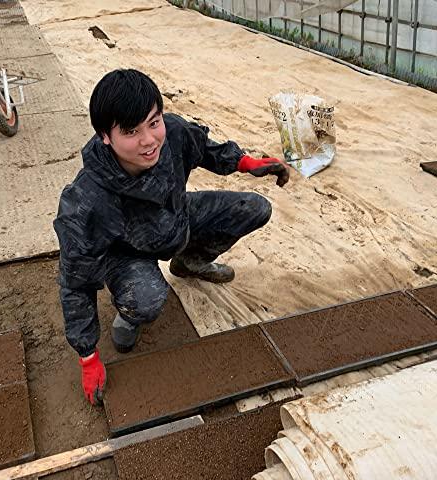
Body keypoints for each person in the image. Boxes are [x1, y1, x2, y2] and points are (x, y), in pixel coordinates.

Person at [54, 69, 289, 405]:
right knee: (148, 297)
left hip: (175, 217)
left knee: (252, 208)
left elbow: (204, 148)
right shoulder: (88, 201)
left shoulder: (172, 132)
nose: (149, 140)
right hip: (128, 251)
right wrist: (87, 355)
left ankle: (190, 261)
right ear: (105, 136)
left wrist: (243, 162)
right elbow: (75, 283)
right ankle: (130, 312)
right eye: (131, 131)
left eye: (153, 122)